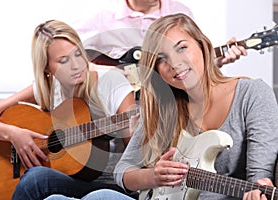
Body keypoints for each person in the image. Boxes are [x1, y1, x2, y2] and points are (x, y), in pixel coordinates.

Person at [111, 13, 277, 200]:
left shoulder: (252, 94)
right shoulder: (162, 108)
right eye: (161, 58)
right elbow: (122, 171)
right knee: (102, 195)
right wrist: (153, 176)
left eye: (181, 48)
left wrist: (259, 191)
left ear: (203, 46)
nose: (174, 63)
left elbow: (260, 178)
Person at [0, 20, 137, 199]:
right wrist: (14, 135)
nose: (77, 65)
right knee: (37, 179)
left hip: (111, 185)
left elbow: (135, 156)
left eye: (78, 54)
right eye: (63, 61)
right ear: (46, 67)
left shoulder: (111, 82)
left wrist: (138, 126)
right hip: (68, 180)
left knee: (37, 180)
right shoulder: (48, 88)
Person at [74, 0, 247, 68]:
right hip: (120, 116)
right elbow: (63, 51)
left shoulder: (180, 12)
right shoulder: (103, 18)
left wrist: (216, 61)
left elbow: (191, 66)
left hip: (168, 107)